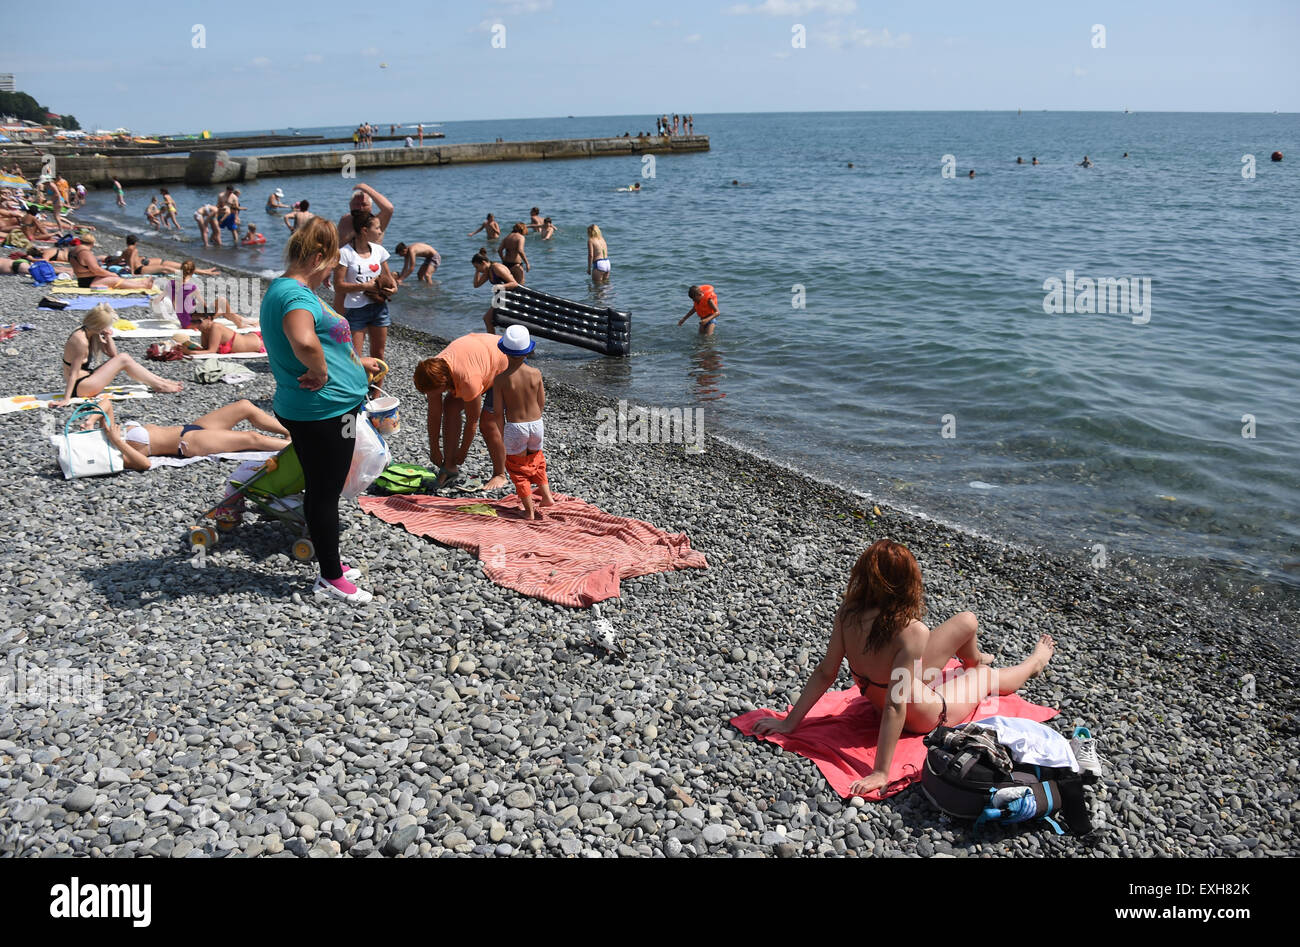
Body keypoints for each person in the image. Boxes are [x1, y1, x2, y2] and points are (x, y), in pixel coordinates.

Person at [753, 540, 1056, 797]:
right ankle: (1032, 664)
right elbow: (896, 705)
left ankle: (973, 658)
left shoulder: (848, 614)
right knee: (984, 677)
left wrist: (789, 724)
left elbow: (825, 672)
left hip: (888, 689)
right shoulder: (913, 632)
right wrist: (881, 771)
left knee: (967, 621)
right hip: (924, 714)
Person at [260, 216, 381, 604]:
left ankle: (332, 560)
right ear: (315, 257)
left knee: (324, 485)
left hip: (328, 409)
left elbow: (317, 341)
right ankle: (330, 576)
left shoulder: (283, 289)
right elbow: (304, 340)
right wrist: (322, 369)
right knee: (325, 490)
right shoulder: (295, 295)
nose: (333, 271)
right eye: (330, 264)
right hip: (323, 411)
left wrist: (353, 365)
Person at [412, 332, 510, 492]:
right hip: (480, 353)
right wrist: (434, 448)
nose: (431, 396)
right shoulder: (432, 371)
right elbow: (434, 415)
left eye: (435, 391)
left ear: (444, 383)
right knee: (450, 406)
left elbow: (473, 420)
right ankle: (449, 467)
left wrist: (463, 452)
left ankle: (500, 474)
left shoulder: (467, 379)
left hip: (504, 362)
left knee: (488, 423)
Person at [88, 395, 290, 469]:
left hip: (192, 427)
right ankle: (300, 446)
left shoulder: (106, 433)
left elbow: (105, 403)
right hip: (189, 444)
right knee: (251, 438)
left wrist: (90, 421)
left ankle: (292, 432)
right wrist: (118, 441)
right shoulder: (116, 455)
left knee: (244, 406)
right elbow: (144, 464)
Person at [56, 304, 183, 405]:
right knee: (124, 358)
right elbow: (73, 372)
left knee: (123, 358)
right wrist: (66, 399)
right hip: (80, 387)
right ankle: (159, 385)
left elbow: (113, 355)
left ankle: (160, 381)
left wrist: (107, 335)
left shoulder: (88, 331)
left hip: (85, 381)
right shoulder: (81, 341)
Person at [492, 326, 553, 519]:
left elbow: (498, 411)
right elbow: (541, 402)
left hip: (515, 426)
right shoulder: (536, 373)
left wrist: (502, 433)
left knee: (517, 469)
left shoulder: (501, 379)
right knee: (537, 460)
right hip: (536, 423)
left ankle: (529, 512)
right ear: (528, 350)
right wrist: (534, 420)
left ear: (504, 351)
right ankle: (547, 497)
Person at [334, 210, 395, 361]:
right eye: (378, 228)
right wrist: (364, 286)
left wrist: (393, 288)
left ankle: (375, 386)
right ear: (365, 230)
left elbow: (390, 278)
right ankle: (356, 385)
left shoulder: (379, 250)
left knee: (379, 355)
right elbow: (338, 286)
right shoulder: (345, 253)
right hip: (356, 310)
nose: (381, 231)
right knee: (355, 357)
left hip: (379, 307)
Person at [70, 235, 155, 290]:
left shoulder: (73, 251)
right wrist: (110, 274)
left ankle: (141, 283)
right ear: (92, 243)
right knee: (114, 279)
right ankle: (143, 285)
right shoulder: (86, 253)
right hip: (89, 282)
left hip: (82, 280)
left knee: (114, 278)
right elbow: (96, 270)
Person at [471, 249, 518, 333]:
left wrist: (501, 286)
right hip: (501, 297)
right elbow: (476, 285)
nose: (477, 270)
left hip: (510, 297)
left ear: (484, 263)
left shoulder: (496, 268)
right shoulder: (488, 271)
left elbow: (514, 284)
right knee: (488, 320)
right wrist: (477, 271)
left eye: (477, 267)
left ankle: (496, 342)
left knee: (488, 319)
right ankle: (494, 342)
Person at [188, 310, 265, 356]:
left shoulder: (216, 327)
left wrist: (189, 352)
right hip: (251, 338)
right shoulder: (205, 329)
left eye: (198, 321)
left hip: (260, 342)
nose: (196, 324)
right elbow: (205, 348)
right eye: (193, 322)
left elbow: (211, 351)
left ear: (208, 319)